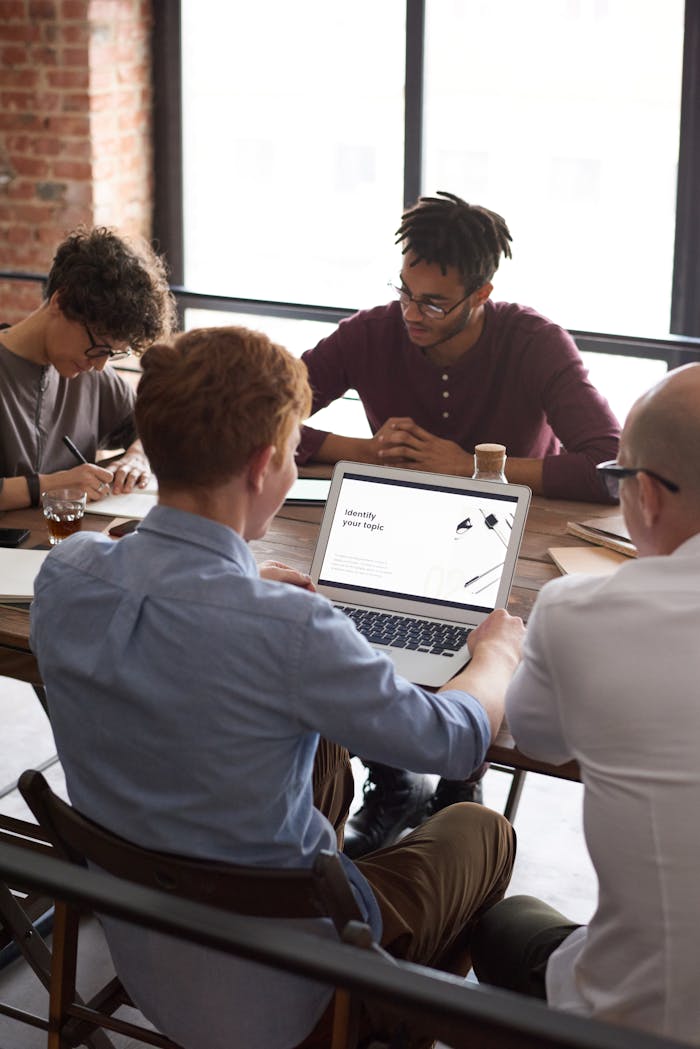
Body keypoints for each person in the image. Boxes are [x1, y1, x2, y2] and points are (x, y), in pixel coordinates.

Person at [30, 325, 522, 1049]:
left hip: (145, 957)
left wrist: (237, 586)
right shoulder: (290, 629)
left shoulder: (66, 573)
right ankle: (383, 1008)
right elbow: (453, 743)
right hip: (290, 996)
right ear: (264, 465)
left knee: (313, 742)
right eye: (293, 454)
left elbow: (160, 602)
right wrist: (496, 655)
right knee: (484, 829)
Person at [299, 190, 621, 858]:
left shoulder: (533, 341)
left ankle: (458, 785)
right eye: (405, 292)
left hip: (507, 551)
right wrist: (365, 449)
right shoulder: (371, 332)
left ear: (481, 295)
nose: (412, 313)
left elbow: (607, 462)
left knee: (474, 642)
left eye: (434, 303)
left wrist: (472, 465)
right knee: (350, 633)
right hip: (395, 541)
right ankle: (392, 782)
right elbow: (260, 414)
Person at [470, 362, 700, 1046]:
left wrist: (500, 653)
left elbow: (538, 739)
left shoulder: (578, 611)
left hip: (638, 1017)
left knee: (503, 923)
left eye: (618, 478)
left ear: (647, 496)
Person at [0, 225, 176, 510]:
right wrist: (50, 486)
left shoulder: (92, 374)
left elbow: (153, 426)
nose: (100, 365)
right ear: (60, 302)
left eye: (112, 354)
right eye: (99, 347)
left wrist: (137, 456)